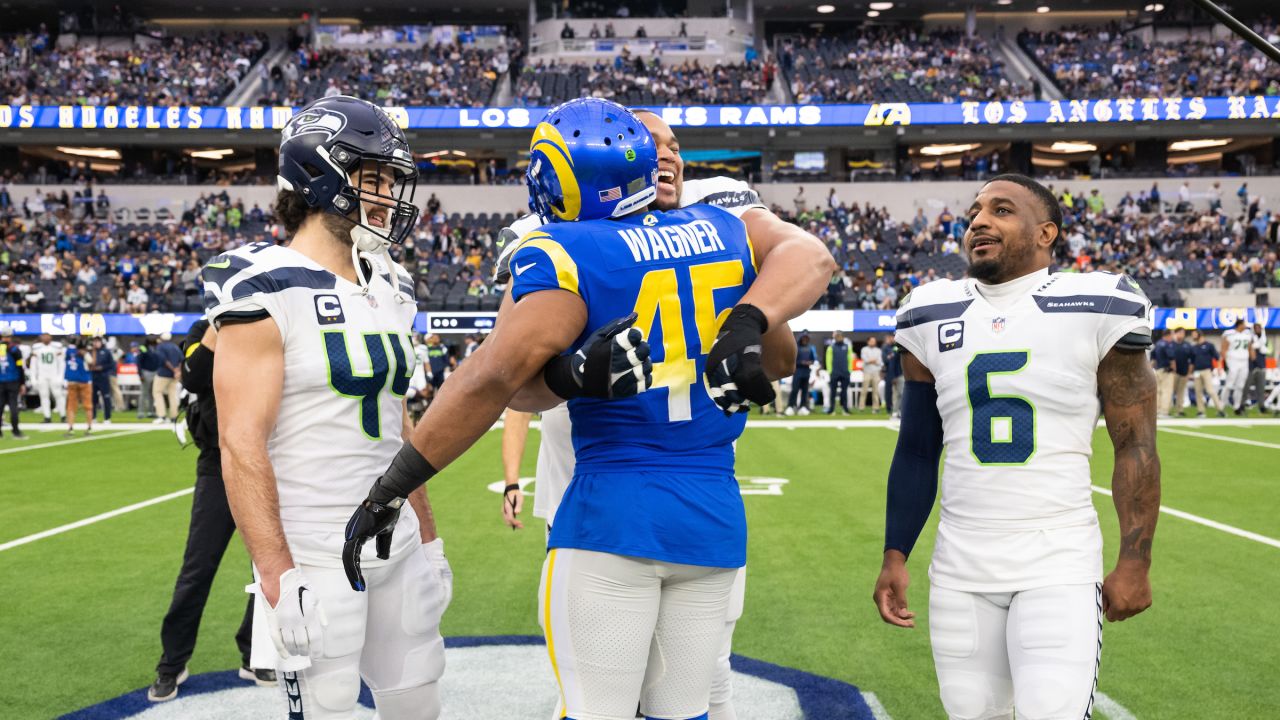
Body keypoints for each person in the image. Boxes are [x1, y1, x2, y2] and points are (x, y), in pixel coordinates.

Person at [344, 98, 829, 720]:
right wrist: (746, 321)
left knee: (594, 710)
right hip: (713, 515)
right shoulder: (728, 228)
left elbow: (493, 378)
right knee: (686, 711)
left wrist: (391, 487)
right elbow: (807, 272)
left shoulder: (567, 247)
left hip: (611, 514)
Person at [494, 105, 826, 719]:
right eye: (649, 143)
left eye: (675, 144)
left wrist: (748, 310)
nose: (666, 154)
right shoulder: (561, 233)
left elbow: (782, 350)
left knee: (699, 683)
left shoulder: (720, 221)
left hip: (689, 492)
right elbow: (509, 377)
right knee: (605, 692)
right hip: (586, 489)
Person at [874, 174, 1161, 720]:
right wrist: (895, 554)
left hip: (1057, 558)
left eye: (1002, 210)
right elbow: (915, 449)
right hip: (960, 563)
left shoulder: (1099, 302)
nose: (978, 221)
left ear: (1046, 232)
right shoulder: (927, 311)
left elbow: (1135, 446)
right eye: (975, 211)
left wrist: (1135, 561)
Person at [206, 96, 451, 719]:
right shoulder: (262, 283)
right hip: (314, 546)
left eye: (393, 178)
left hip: (393, 538)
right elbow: (240, 443)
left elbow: (398, 424)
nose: (390, 192)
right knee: (329, 706)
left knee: (420, 698)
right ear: (322, 175)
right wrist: (276, 572)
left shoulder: (391, 281)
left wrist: (427, 535)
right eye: (375, 176)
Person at [149, 318, 277, 702]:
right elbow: (193, 377)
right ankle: (171, 663)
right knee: (198, 567)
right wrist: (220, 323)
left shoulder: (272, 323)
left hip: (269, 460)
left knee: (268, 566)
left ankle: (256, 654)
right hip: (219, 463)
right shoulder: (204, 327)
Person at [29, 332, 66, 423]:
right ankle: (47, 417)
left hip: (54, 374)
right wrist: (33, 378)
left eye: (47, 336)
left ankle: (63, 416)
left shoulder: (56, 347)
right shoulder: (37, 348)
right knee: (44, 396)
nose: (45, 338)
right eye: (43, 336)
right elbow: (33, 364)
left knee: (58, 395)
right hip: (42, 375)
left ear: (51, 337)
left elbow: (61, 363)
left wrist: (60, 376)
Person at [1221, 318, 1255, 414]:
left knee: (1240, 386)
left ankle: (1237, 407)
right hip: (1233, 361)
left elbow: (1250, 347)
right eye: (1244, 324)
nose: (1245, 326)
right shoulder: (1229, 334)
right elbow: (1223, 348)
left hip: (1244, 361)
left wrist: (1253, 357)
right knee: (1229, 385)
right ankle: (1221, 405)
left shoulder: (1247, 334)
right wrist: (1225, 362)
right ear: (1239, 324)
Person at [1189, 330, 1225, 418]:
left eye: (1194, 335)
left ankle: (1220, 409)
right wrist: (1189, 373)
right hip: (1197, 372)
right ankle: (1201, 411)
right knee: (1198, 392)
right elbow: (1192, 362)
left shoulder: (1209, 345)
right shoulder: (1194, 347)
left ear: (1199, 335)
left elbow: (1218, 357)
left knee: (1210, 390)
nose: (1193, 336)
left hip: (1207, 371)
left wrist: (1220, 368)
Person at [64, 337, 94, 437]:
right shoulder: (84, 354)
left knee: (71, 406)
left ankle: (71, 428)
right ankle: (89, 428)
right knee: (88, 406)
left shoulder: (68, 351)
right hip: (84, 381)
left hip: (71, 380)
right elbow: (91, 363)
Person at [0, 322, 25, 438]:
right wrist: (22, 383)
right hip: (12, 381)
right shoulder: (15, 349)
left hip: (1, 381)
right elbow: (20, 367)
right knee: (13, 407)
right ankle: (15, 431)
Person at [153, 332, 183, 423]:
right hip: (174, 375)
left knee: (157, 392)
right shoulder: (175, 347)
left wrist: (174, 370)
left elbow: (164, 360)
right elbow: (181, 360)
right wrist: (178, 371)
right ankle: (174, 417)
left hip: (163, 374)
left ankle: (162, 416)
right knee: (172, 395)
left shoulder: (161, 346)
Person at [87, 335, 114, 426]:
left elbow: (111, 364)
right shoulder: (91, 352)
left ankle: (107, 417)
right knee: (93, 399)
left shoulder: (106, 352)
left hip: (103, 377)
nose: (96, 343)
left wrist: (102, 368)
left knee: (106, 398)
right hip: (93, 377)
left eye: (97, 341)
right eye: (94, 341)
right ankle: (93, 417)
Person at [787, 333, 816, 415]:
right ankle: (791, 406)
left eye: (806, 338)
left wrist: (810, 362)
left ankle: (803, 406)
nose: (805, 340)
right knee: (795, 390)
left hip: (806, 373)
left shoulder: (810, 348)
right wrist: (801, 362)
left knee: (805, 391)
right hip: (798, 372)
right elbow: (792, 360)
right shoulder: (796, 347)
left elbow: (813, 359)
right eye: (804, 338)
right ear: (801, 338)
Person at [825, 330, 852, 414]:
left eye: (839, 336)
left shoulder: (847, 347)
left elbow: (850, 360)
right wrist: (830, 371)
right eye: (836, 336)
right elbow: (828, 361)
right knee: (833, 392)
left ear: (842, 337)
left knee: (844, 392)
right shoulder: (831, 347)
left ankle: (845, 409)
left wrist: (849, 370)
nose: (838, 337)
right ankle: (831, 409)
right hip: (834, 373)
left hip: (845, 372)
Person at [1170, 328, 1192, 416]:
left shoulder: (1187, 345)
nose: (1181, 335)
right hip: (1173, 373)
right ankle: (1166, 409)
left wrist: (1189, 372)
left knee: (1181, 392)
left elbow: (1191, 360)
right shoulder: (1171, 344)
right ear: (1175, 333)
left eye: (1183, 333)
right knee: (1170, 391)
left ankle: (1179, 410)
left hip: (1184, 372)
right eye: (1180, 333)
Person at [137, 336, 160, 418]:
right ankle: (141, 412)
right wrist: (140, 374)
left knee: (153, 393)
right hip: (146, 372)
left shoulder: (156, 348)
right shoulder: (143, 348)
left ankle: (151, 411)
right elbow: (139, 362)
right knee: (144, 393)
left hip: (155, 372)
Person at [860, 335, 883, 412]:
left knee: (876, 391)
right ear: (868, 341)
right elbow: (865, 360)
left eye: (874, 341)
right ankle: (861, 407)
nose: (873, 342)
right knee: (864, 390)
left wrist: (871, 361)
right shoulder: (864, 349)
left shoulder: (878, 350)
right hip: (866, 372)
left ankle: (875, 407)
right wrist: (873, 361)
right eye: (872, 341)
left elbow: (879, 362)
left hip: (876, 372)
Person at [883, 333, 902, 418]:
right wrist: (894, 376)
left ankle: (897, 410)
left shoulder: (898, 346)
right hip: (892, 373)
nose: (893, 338)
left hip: (900, 373)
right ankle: (891, 409)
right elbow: (888, 360)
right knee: (890, 392)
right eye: (891, 337)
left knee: (900, 393)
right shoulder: (885, 347)